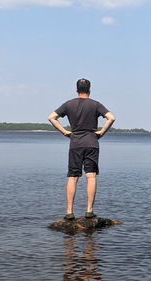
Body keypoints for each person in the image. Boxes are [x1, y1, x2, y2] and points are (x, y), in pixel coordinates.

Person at [48, 78, 116, 220]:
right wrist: (102, 132)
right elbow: (111, 118)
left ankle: (69, 212)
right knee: (90, 176)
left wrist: (65, 132)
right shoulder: (95, 104)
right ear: (89, 89)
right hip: (92, 142)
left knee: (73, 177)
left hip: (75, 143)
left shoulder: (69, 104)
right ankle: (89, 211)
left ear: (76, 89)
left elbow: (52, 117)